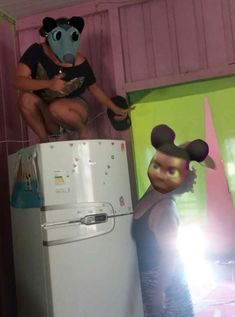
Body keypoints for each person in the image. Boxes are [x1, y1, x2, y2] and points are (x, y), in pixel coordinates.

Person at [132, 124, 211, 317]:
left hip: (149, 278)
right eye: (189, 170)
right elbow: (169, 255)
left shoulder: (149, 196)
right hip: (165, 283)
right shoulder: (166, 209)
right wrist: (160, 293)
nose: (193, 175)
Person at [12, 16, 129, 143]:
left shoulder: (81, 61)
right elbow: (16, 81)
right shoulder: (37, 51)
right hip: (48, 114)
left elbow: (94, 87)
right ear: (49, 42)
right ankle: (44, 142)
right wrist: (49, 83)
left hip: (74, 110)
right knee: (25, 99)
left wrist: (114, 108)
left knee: (57, 107)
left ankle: (82, 130)